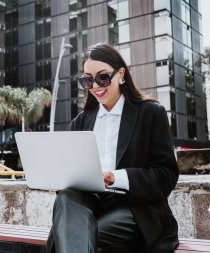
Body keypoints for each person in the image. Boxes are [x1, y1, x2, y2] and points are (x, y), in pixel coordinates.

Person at [46, 43, 179, 253]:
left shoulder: (151, 113)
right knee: (66, 197)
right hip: (92, 205)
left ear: (121, 74)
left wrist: (114, 178)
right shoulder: (80, 122)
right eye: (88, 80)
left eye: (103, 77)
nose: (96, 85)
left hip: (136, 209)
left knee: (78, 237)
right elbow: (70, 182)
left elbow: (166, 176)